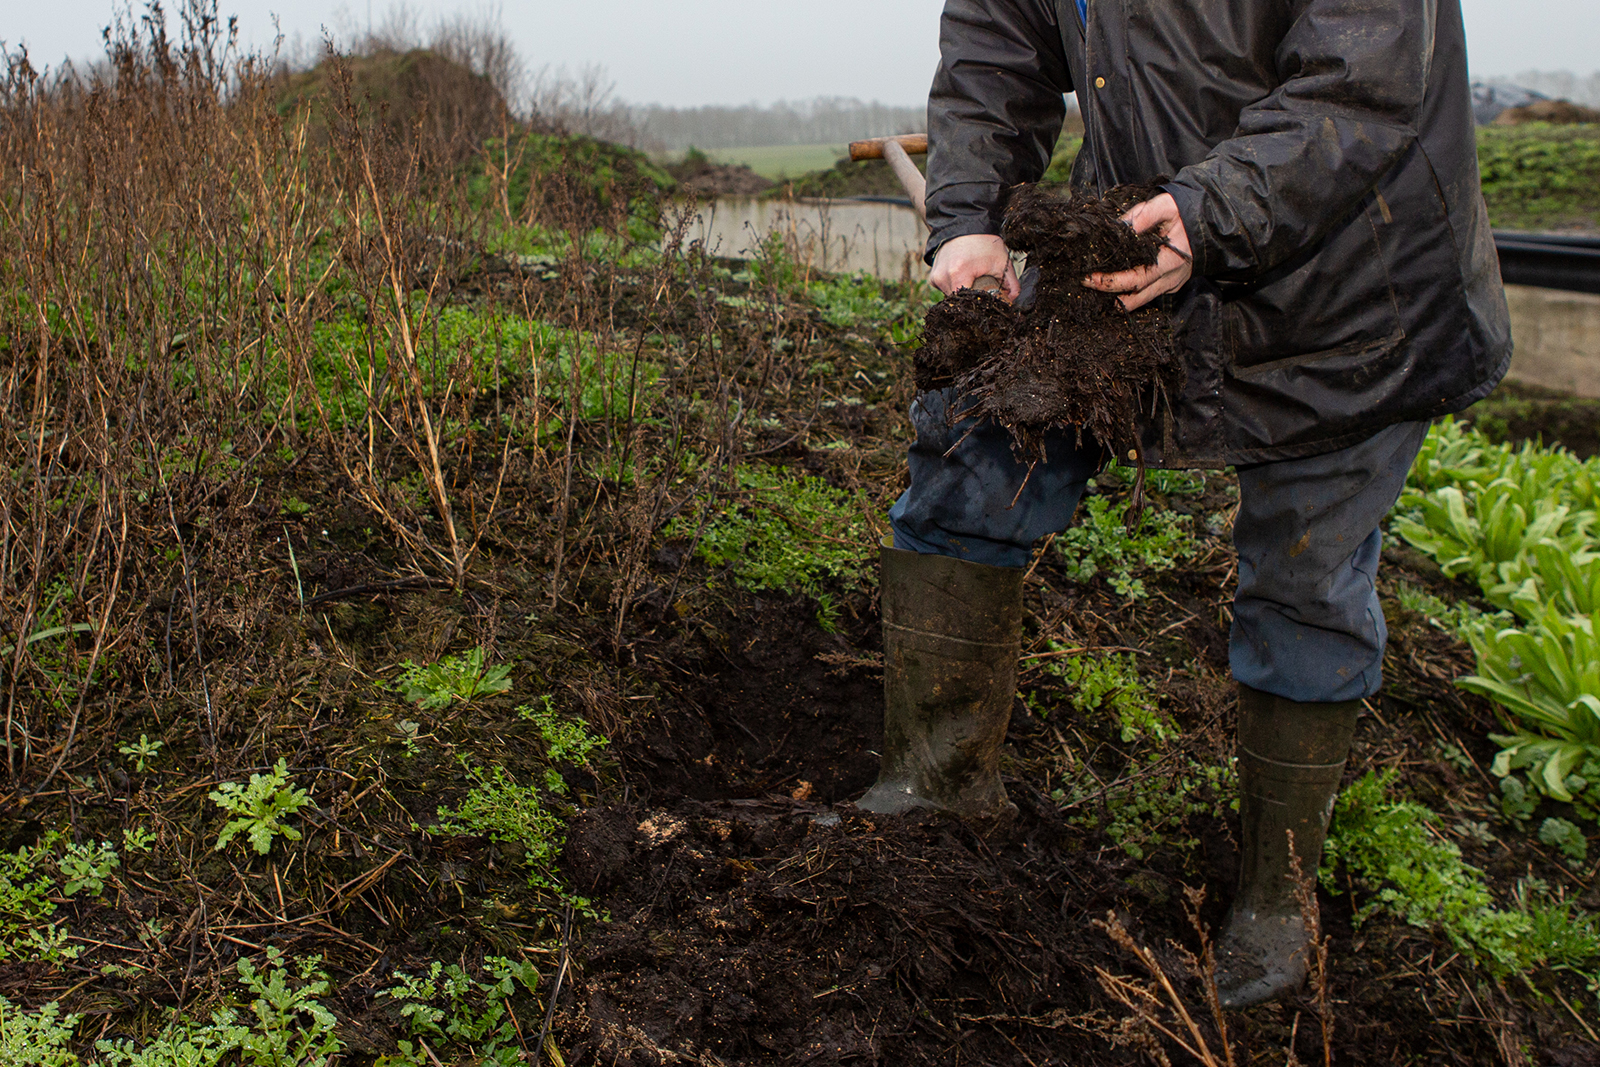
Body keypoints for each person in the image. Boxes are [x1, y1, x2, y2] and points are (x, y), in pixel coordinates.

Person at [855, 0, 1511, 1008]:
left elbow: (1364, 85)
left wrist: (1209, 213)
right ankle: (933, 783)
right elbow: (995, 45)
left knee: (1304, 580)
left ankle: (1273, 901)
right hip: (1131, 242)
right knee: (968, 454)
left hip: (1349, 284)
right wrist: (972, 217)